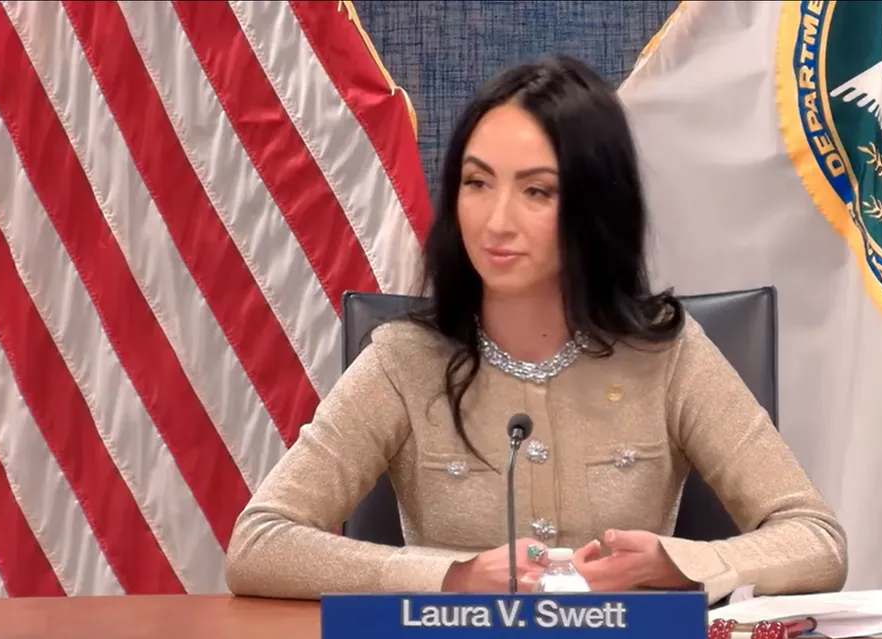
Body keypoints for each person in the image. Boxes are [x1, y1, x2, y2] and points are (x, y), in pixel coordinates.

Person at [223, 54, 847, 605]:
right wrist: (449, 577)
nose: (496, 221)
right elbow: (260, 543)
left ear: (595, 208)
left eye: (537, 192)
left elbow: (816, 539)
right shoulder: (403, 360)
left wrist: (682, 566)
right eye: (476, 183)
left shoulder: (668, 355)